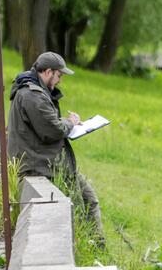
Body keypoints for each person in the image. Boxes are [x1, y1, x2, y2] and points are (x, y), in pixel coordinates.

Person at [8, 51, 103, 240]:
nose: (60, 80)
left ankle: (98, 248)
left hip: (50, 162)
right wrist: (70, 123)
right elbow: (53, 130)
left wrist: (64, 122)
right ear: (48, 72)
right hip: (43, 166)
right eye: (59, 75)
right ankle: (89, 248)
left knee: (89, 200)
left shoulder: (36, 92)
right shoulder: (33, 96)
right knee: (79, 207)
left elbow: (46, 124)